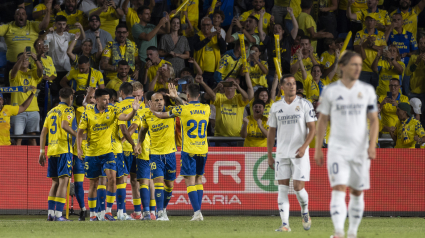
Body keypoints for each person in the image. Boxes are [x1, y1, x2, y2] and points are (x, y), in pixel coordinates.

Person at [315, 51, 379, 238]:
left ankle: (352, 233)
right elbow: (322, 121)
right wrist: (318, 148)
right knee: (339, 188)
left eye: (360, 65)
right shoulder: (330, 91)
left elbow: (374, 120)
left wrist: (372, 145)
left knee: (357, 192)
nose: (358, 68)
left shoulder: (367, 90)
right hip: (337, 149)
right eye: (354, 64)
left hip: (360, 150)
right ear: (342, 67)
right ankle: (338, 232)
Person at [143, 79, 211, 221]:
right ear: (199, 95)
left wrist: (150, 109)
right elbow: (190, 107)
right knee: (198, 180)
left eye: (162, 99)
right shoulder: (206, 108)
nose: (161, 102)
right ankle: (192, 212)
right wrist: (176, 98)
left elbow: (163, 114)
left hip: (188, 150)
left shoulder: (179, 110)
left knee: (188, 182)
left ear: (187, 94)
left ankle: (196, 212)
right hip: (203, 149)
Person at [77, 88, 138, 221]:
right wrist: (79, 149)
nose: (107, 102)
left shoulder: (113, 109)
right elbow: (79, 133)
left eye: (108, 99)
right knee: (93, 183)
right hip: (92, 153)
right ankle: (93, 214)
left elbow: (126, 118)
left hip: (108, 152)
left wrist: (134, 110)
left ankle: (108, 212)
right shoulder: (87, 113)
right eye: (104, 99)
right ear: (97, 100)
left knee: (112, 178)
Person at [267, 74, 316, 232]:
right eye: (288, 84)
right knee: (282, 188)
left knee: (297, 188)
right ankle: (285, 224)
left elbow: (313, 129)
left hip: (299, 154)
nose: (292, 86)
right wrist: (269, 155)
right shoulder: (275, 107)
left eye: (294, 83)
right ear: (282, 87)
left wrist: (303, 147)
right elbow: (271, 132)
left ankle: (305, 210)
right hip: (281, 153)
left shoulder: (305, 104)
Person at [133, 90, 181, 221]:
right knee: (158, 182)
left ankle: (163, 209)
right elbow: (143, 130)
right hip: (154, 154)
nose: (159, 102)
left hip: (170, 153)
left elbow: (185, 107)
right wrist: (139, 144)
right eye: (156, 100)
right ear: (150, 103)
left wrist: (176, 97)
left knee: (169, 185)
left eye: (161, 100)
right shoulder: (146, 115)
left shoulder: (171, 112)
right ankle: (160, 213)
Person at [39, 88, 76, 221]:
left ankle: (50, 214)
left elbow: (43, 132)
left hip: (52, 150)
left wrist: (42, 151)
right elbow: (65, 125)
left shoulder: (50, 112)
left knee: (55, 182)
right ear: (71, 98)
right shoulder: (69, 110)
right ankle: (59, 215)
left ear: (60, 97)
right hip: (64, 149)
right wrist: (77, 135)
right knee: (64, 182)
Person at [0, 3, 50, 82]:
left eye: (23, 14)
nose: (20, 16)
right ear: (14, 17)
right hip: (12, 65)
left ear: (26, 16)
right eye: (18, 14)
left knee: (31, 89)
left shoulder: (32, 25)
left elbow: (44, 26)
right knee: (9, 90)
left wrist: (48, 12)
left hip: (30, 64)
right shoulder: (8, 27)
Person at [204, 72, 254, 142]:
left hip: (237, 137)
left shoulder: (239, 97)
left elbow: (247, 97)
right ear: (223, 86)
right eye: (227, 83)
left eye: (232, 84)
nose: (229, 86)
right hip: (220, 138)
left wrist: (238, 88)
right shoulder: (219, 96)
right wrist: (217, 88)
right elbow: (208, 96)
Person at [10, 52, 44, 146]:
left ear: (29, 62)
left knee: (33, 138)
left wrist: (36, 59)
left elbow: (41, 70)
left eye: (26, 59)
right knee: (18, 139)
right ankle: (16, 160)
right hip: (18, 110)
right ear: (18, 61)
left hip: (33, 110)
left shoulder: (33, 72)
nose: (24, 60)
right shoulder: (13, 72)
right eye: (21, 59)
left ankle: (34, 160)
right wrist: (21, 59)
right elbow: (14, 72)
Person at [259, 8, 298, 88]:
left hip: (286, 70)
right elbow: (260, 30)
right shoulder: (269, 40)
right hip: (273, 70)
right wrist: (261, 16)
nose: (277, 30)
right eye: (275, 28)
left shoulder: (288, 40)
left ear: (283, 31)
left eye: (279, 28)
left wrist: (291, 14)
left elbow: (296, 28)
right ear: (273, 32)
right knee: (272, 87)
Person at [46, 15, 84, 89]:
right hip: (54, 69)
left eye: (64, 24)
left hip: (66, 68)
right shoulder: (51, 35)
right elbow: (42, 38)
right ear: (56, 24)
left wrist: (81, 27)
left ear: (66, 25)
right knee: (54, 91)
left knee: (66, 91)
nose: (62, 26)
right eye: (59, 24)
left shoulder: (67, 35)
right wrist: (48, 30)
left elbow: (82, 37)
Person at [132, 6, 170, 73]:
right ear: (140, 16)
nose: (149, 15)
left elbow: (166, 31)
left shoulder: (151, 26)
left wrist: (167, 21)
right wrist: (159, 24)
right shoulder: (136, 27)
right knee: (145, 82)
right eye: (147, 14)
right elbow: (147, 38)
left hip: (154, 61)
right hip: (143, 61)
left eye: (150, 14)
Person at [353, 14, 386, 89]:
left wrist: (371, 46)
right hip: (363, 69)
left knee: (375, 94)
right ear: (365, 22)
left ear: (375, 22)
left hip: (377, 68)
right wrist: (367, 42)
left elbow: (385, 48)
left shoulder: (381, 34)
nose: (369, 22)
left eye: (372, 20)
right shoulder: (359, 33)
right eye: (367, 20)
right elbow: (356, 48)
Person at [193, 17, 227, 89]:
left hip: (214, 72)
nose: (206, 27)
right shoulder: (197, 36)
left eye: (208, 25)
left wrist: (219, 36)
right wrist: (209, 38)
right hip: (201, 72)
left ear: (211, 26)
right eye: (204, 25)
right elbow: (197, 47)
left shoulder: (215, 36)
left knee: (213, 93)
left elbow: (223, 49)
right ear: (201, 25)